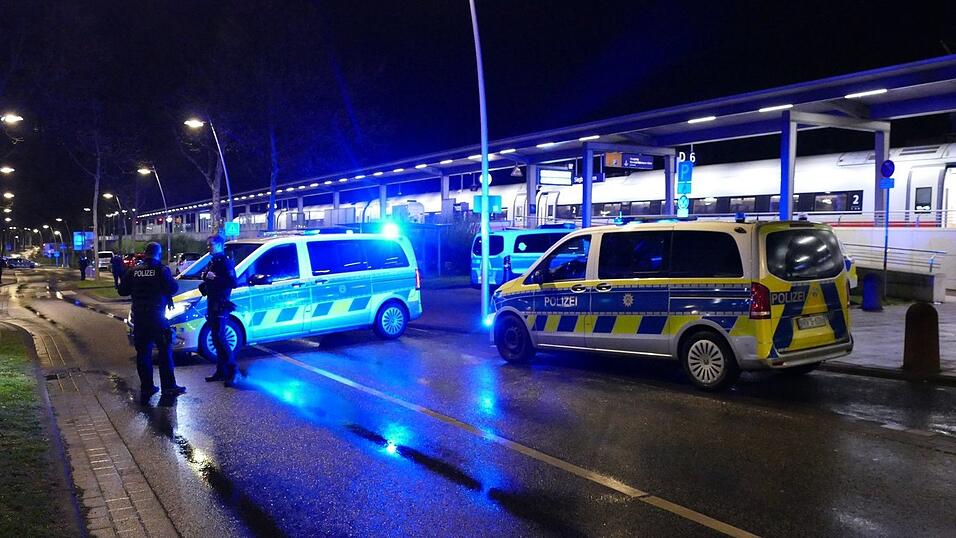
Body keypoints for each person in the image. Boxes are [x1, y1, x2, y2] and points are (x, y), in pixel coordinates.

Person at [117, 242, 185, 403]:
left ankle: (147, 386)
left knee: (143, 354)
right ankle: (168, 386)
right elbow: (173, 288)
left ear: (145, 253)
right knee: (164, 352)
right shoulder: (161, 270)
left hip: (139, 318)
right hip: (157, 318)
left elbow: (122, 291)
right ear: (158, 254)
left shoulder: (134, 271)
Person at [199, 234, 239, 387]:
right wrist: (205, 280)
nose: (208, 247)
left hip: (221, 305)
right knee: (216, 339)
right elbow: (211, 281)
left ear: (218, 245)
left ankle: (232, 370)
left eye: (210, 245)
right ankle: (221, 371)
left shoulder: (224, 262)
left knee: (220, 338)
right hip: (212, 303)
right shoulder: (213, 262)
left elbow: (232, 283)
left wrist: (213, 278)